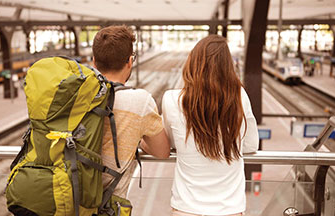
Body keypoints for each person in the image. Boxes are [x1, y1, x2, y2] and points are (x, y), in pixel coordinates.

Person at [162, 35, 259, 216]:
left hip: (186, 208)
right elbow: (251, 145)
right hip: (230, 209)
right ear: (228, 67)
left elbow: (170, 143)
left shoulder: (171, 99)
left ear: (193, 63)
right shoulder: (240, 96)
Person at [92, 25, 170, 198]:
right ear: (130, 61)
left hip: (66, 198)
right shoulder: (140, 101)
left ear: (94, 61)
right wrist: (138, 139)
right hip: (108, 206)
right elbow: (162, 151)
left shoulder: (75, 94)